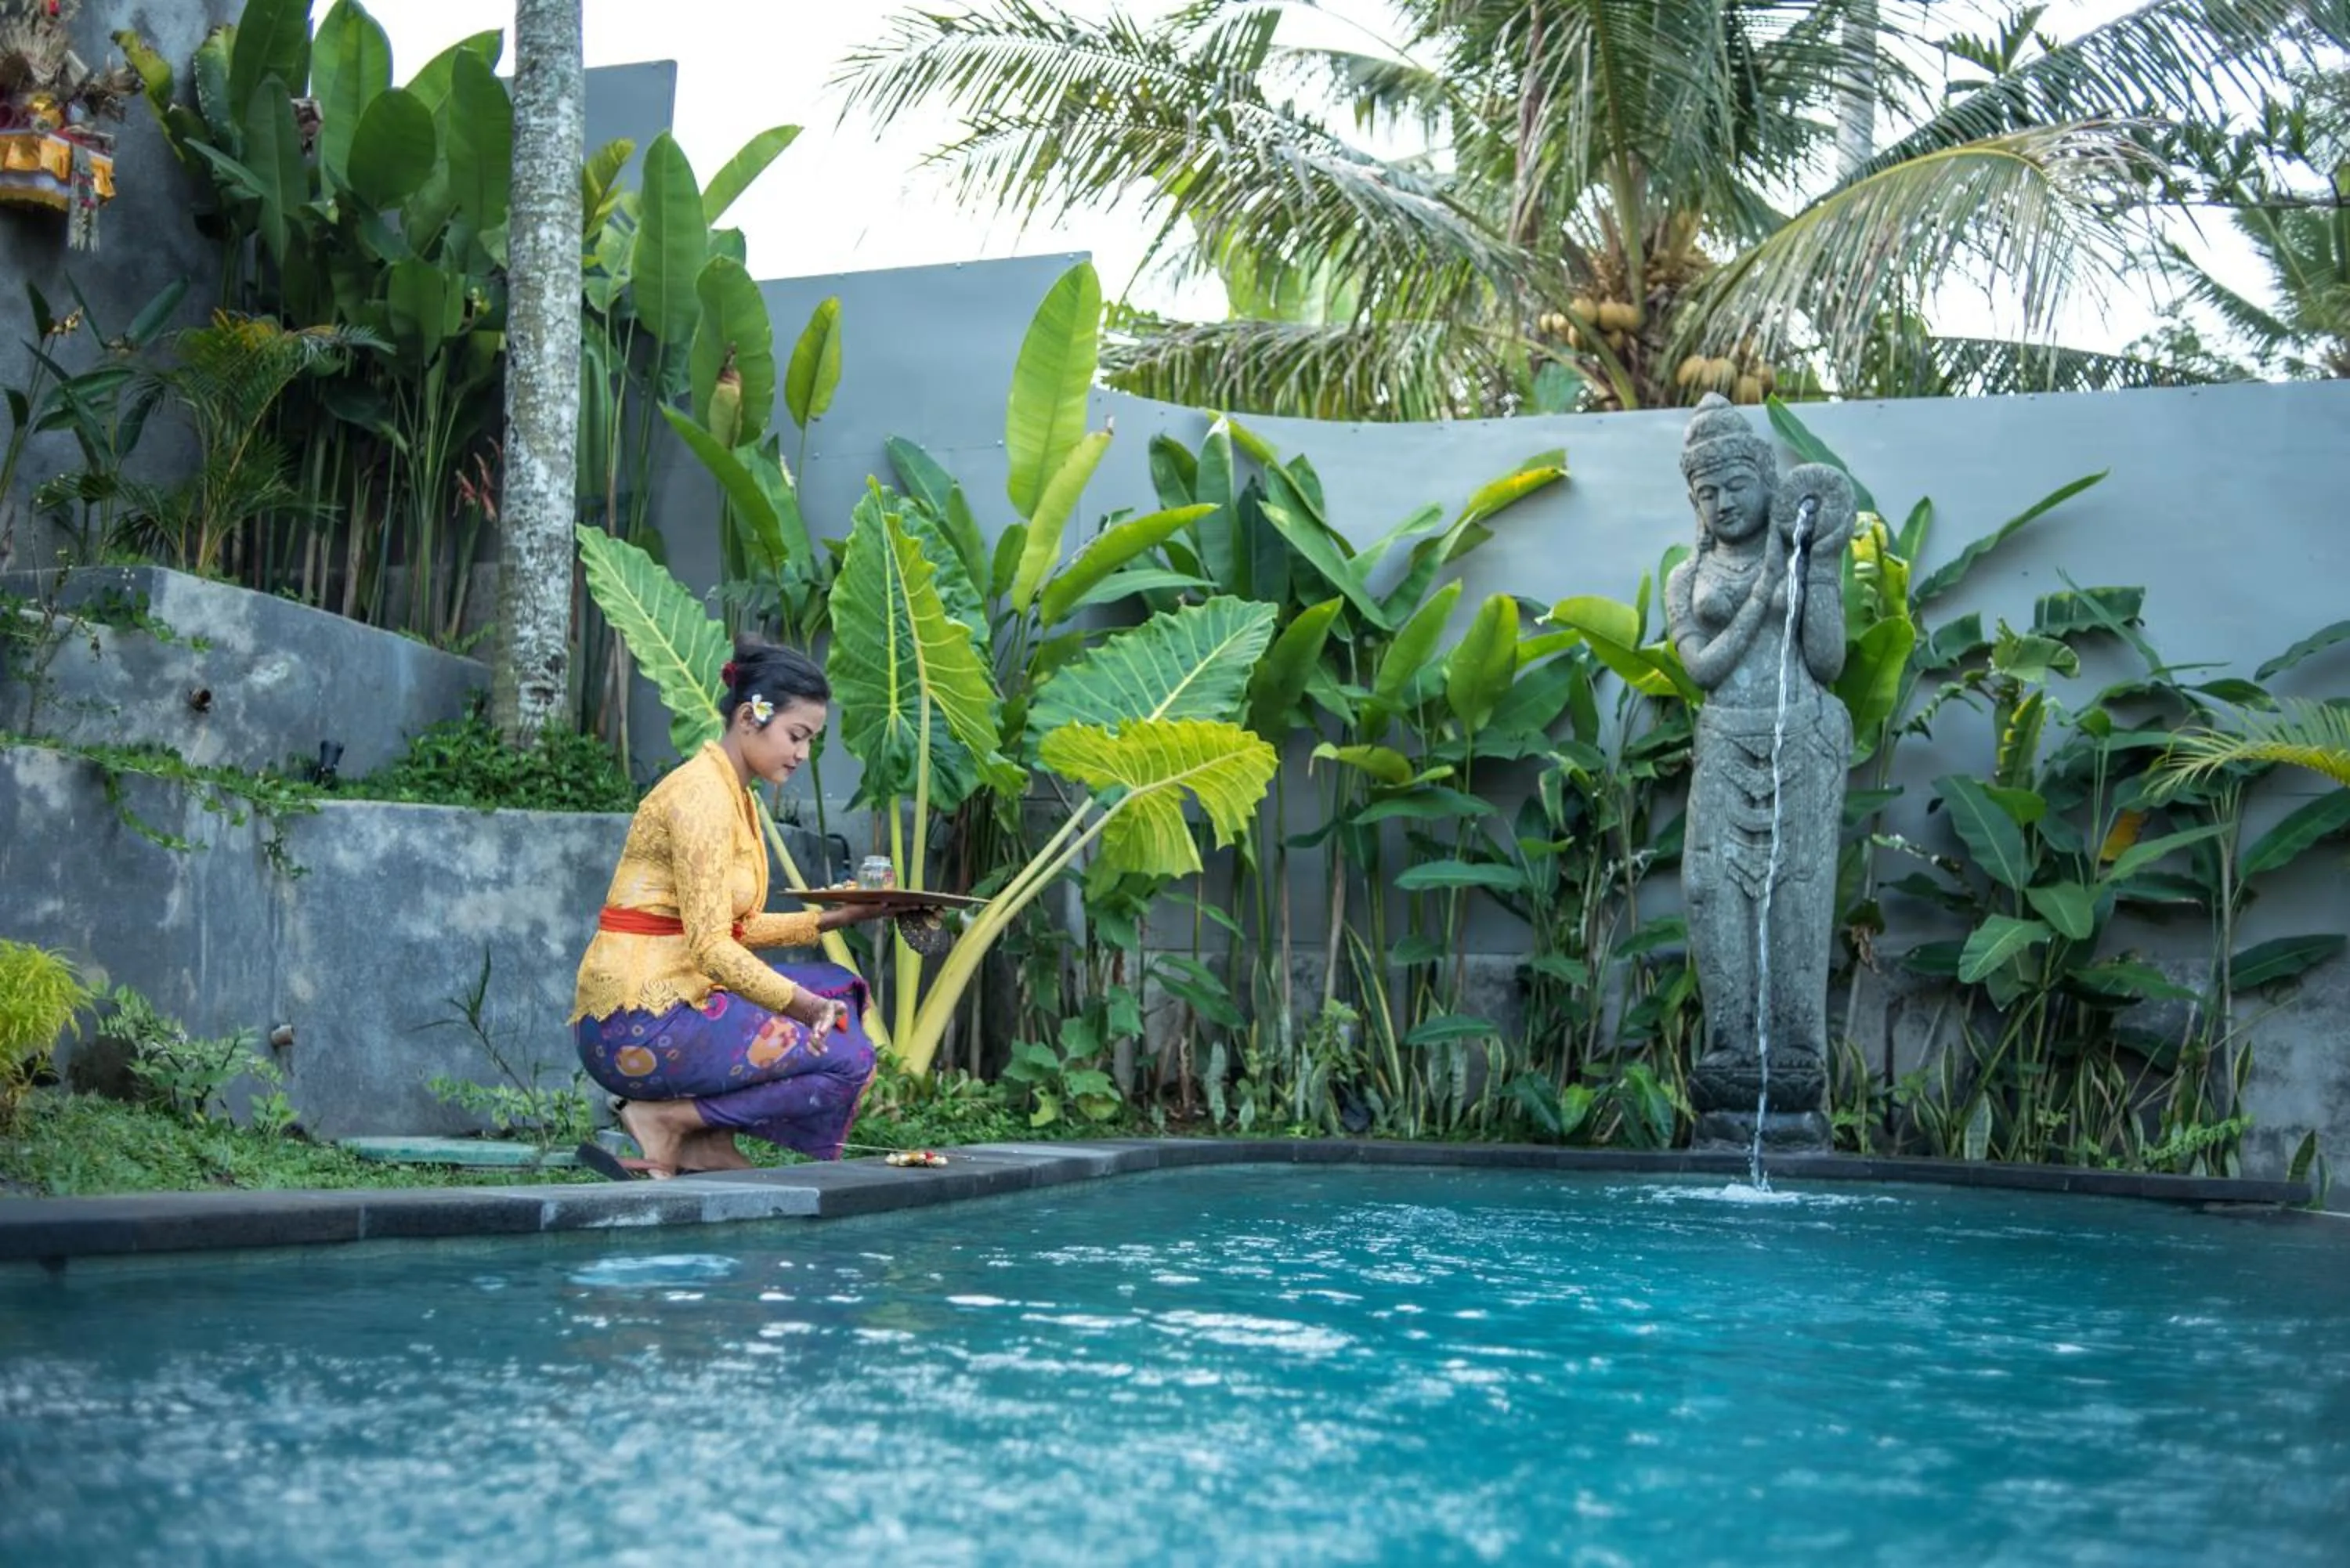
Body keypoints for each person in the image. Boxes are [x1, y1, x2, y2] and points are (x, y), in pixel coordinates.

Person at [569, 640, 891, 1178]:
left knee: (839, 986)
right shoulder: (703, 797)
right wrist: (803, 1009)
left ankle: (701, 1137)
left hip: (670, 1004)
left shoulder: (734, 791)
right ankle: (670, 1122)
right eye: (797, 736)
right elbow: (715, 948)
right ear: (749, 717)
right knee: (850, 1057)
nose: (803, 753)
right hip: (633, 1026)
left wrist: (833, 918)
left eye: (810, 740)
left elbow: (728, 927)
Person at [1662, 393, 1855, 1145]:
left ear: (1764, 481)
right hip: (1724, 741)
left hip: (1799, 740)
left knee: (1796, 899)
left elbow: (1829, 660)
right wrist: (1762, 596)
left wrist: (1817, 569)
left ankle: (1797, 1053)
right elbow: (1704, 669)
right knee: (1713, 894)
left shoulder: (1804, 557)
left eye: (1735, 486)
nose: (1722, 503)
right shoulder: (1687, 578)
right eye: (1706, 494)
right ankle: (1731, 1048)